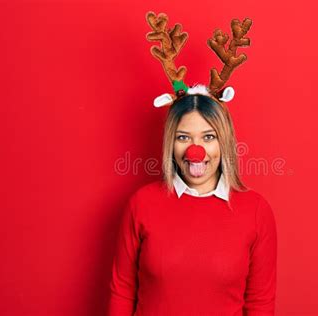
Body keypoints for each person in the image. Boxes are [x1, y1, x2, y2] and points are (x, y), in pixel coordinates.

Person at [107, 11, 277, 316]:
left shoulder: (256, 211)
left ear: (224, 142)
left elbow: (260, 304)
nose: (195, 151)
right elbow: (122, 291)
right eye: (184, 137)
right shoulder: (141, 204)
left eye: (208, 137)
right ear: (170, 142)